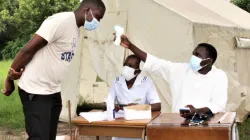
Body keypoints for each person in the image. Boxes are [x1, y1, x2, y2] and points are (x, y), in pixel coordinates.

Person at [1, 0, 106, 140]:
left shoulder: (76, 29)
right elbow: (28, 50)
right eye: (98, 17)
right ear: (87, 10)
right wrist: (9, 79)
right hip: (35, 90)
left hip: (53, 90)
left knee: (49, 136)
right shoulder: (60, 22)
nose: (98, 22)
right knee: (39, 137)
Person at [115, 35, 228, 118]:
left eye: (198, 55)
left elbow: (218, 104)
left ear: (208, 61)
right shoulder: (181, 70)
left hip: (205, 125)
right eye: (193, 53)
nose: (193, 57)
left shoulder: (219, 76)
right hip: (177, 123)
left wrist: (196, 111)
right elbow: (156, 63)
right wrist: (130, 46)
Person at [106, 54, 161, 140]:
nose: (126, 68)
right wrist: (113, 106)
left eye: (130, 66)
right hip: (120, 124)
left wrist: (137, 108)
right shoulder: (116, 81)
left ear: (138, 71)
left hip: (139, 125)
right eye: (125, 65)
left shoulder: (146, 82)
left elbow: (157, 106)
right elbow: (108, 101)